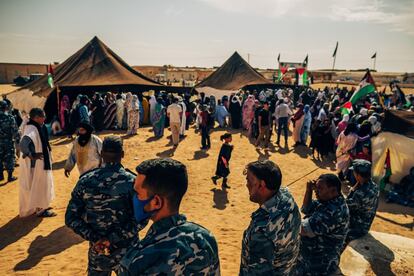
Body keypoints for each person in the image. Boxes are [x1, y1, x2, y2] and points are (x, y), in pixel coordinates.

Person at [118, 158, 220, 275]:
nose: (134, 197)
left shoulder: (136, 260)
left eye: (138, 193)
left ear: (156, 202)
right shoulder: (206, 239)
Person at [66, 136, 146, 275]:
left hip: (99, 252)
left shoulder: (86, 181)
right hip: (128, 253)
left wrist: (97, 239)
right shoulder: (133, 183)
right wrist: (112, 238)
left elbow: (71, 218)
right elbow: (142, 218)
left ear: (101, 154)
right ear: (122, 154)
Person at [240, 160, 301, 275]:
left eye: (249, 180)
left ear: (262, 185)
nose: (246, 184)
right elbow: (283, 189)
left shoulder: (262, 230)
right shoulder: (287, 198)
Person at [297, 174, 349, 275]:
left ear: (333, 190)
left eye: (320, 188)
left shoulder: (333, 211)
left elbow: (303, 230)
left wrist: (285, 221)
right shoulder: (328, 199)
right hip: (313, 254)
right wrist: (309, 190)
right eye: (316, 187)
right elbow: (306, 209)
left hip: (320, 263)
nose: (316, 190)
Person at [19, 108, 55, 217]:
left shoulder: (37, 126)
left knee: (41, 185)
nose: (44, 118)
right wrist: (32, 155)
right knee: (39, 186)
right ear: (36, 118)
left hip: (41, 162)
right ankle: (40, 209)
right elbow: (23, 144)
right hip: (36, 165)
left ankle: (41, 205)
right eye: (42, 116)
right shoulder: (31, 128)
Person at [345, 160, 379, 242]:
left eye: (354, 172)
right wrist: (357, 183)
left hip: (357, 228)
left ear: (358, 175)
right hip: (366, 224)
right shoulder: (375, 186)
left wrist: (352, 190)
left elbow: (346, 206)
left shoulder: (360, 192)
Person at [0, 100, 19, 182]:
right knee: (9, 158)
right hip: (8, 141)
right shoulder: (10, 117)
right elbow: (15, 130)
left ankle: (0, 176)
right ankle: (10, 176)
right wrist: (17, 139)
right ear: (6, 107)